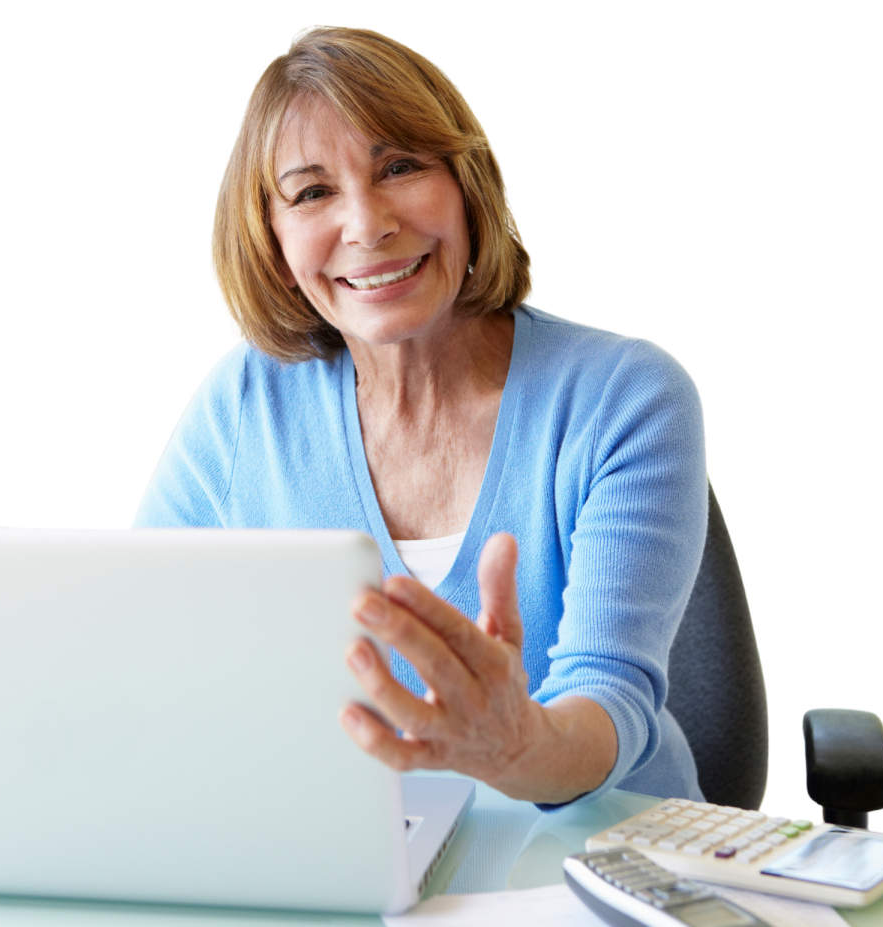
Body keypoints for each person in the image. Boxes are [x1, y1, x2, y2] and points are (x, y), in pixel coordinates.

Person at [134, 26, 707, 807]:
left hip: (596, 868)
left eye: (399, 167)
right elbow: (130, 651)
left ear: (466, 187)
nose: (367, 225)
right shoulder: (244, 407)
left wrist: (516, 746)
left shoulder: (624, 398)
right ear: (272, 241)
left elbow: (610, 698)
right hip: (347, 861)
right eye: (311, 192)